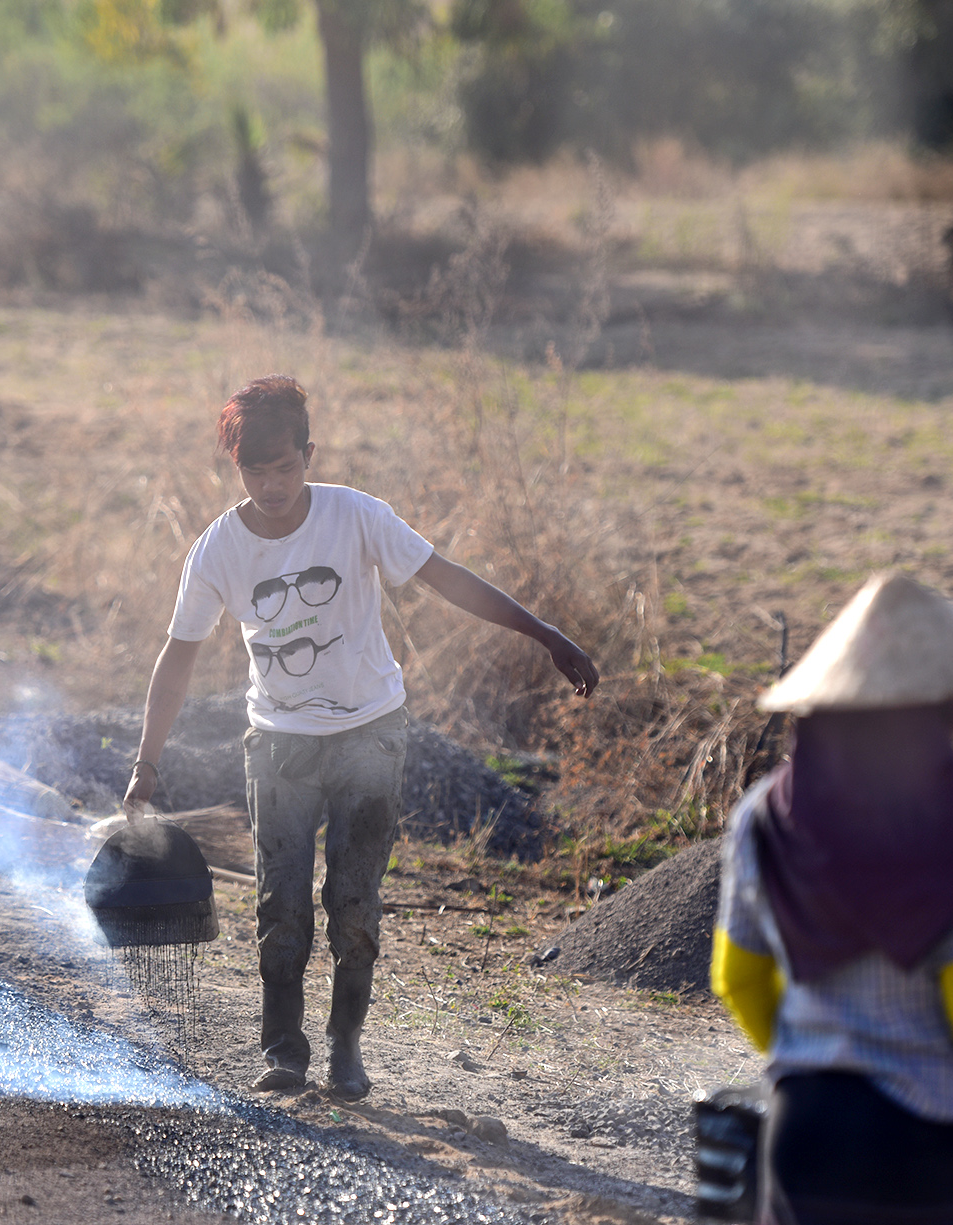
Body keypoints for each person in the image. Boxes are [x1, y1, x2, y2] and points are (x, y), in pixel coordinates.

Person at [123, 375, 598, 1099]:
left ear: (309, 453)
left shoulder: (356, 517)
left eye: (285, 466)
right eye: (257, 471)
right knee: (280, 904)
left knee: (353, 901)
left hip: (370, 734)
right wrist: (146, 761)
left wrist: (545, 634)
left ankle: (347, 1049)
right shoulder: (218, 548)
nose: (273, 484)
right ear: (236, 467)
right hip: (279, 741)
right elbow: (178, 655)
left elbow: (448, 579)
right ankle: (285, 1049)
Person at [711, 572, 953, 1225]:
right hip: (944, 1159)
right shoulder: (952, 824)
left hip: (807, 1144)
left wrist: (819, 1069)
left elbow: (738, 977)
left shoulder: (761, 814)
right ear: (939, 708)